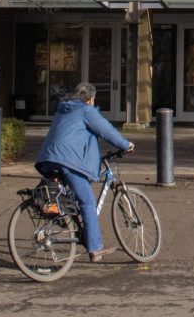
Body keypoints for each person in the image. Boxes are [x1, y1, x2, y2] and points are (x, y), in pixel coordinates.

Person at [35, 82, 134, 261]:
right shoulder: (86, 111)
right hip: (68, 161)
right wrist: (126, 145)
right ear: (89, 99)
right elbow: (106, 131)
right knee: (87, 201)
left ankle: (64, 217)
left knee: (68, 193)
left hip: (47, 159)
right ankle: (95, 248)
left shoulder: (62, 110)